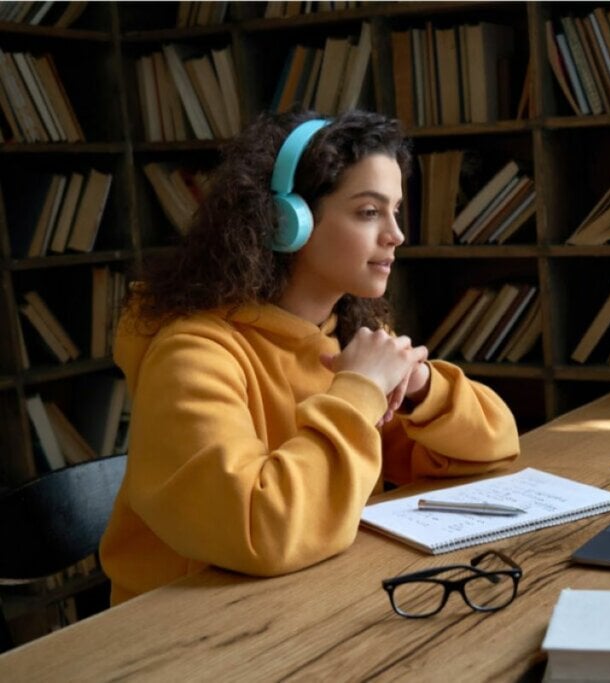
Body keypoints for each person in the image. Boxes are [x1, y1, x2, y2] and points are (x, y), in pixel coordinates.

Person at [99, 110, 520, 605]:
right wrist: (360, 392)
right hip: (187, 636)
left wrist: (423, 386)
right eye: (369, 212)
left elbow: (495, 443)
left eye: (396, 211)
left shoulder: (349, 336)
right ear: (286, 222)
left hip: (309, 598)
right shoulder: (192, 355)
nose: (396, 234)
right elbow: (262, 528)